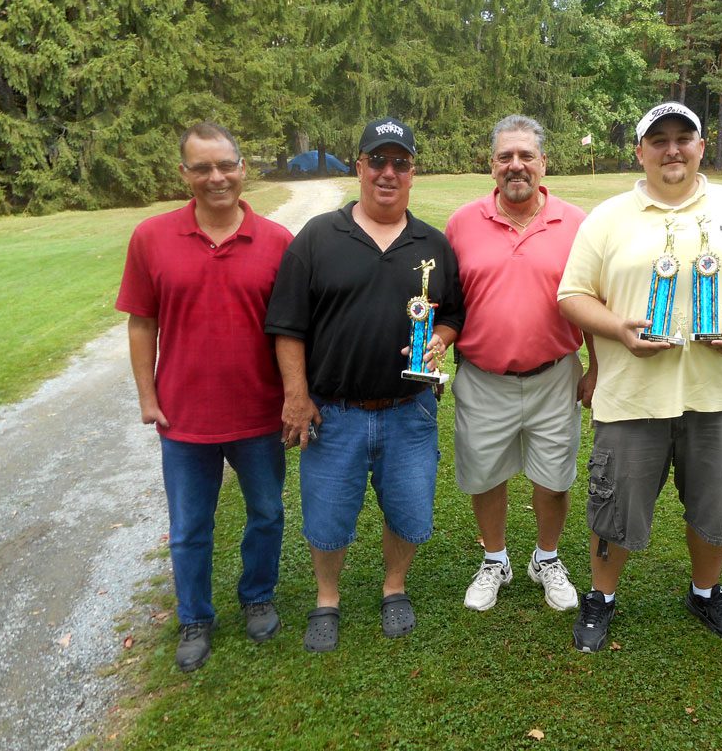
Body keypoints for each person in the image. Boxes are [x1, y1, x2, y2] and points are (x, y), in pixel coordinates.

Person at [557, 102, 722, 652]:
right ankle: (601, 598)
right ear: (639, 152)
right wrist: (620, 328)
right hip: (631, 394)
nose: (672, 149)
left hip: (721, 394)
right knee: (614, 504)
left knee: (718, 504)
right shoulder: (609, 217)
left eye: (683, 138)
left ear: (701, 146)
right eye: (658, 140)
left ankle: (706, 592)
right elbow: (572, 295)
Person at [264, 117, 464, 651]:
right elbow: (287, 325)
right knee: (327, 516)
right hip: (335, 411)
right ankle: (326, 599)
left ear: (413, 173)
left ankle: (393, 587)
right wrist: (296, 397)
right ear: (359, 167)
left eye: (400, 163)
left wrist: (439, 340)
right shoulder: (318, 238)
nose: (388, 172)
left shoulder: (433, 244)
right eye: (377, 160)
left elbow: (453, 316)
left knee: (410, 508)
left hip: (409, 410)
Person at [116, 122, 291, 672]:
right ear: (185, 175)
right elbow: (142, 324)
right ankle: (195, 615)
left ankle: (257, 596)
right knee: (191, 524)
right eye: (202, 168)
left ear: (243, 169)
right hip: (184, 416)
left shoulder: (278, 243)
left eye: (225, 166)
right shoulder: (151, 238)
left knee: (266, 513)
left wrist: (295, 397)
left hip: (259, 412)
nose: (216, 177)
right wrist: (148, 396)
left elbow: (291, 332)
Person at [445, 115, 596, 613]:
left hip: (555, 376)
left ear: (543, 163)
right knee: (485, 475)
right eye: (505, 156)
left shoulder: (576, 223)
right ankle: (495, 560)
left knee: (553, 479)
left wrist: (597, 367)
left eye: (526, 156)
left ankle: (546, 558)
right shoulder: (461, 223)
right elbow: (444, 304)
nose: (516, 165)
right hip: (483, 379)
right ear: (491, 165)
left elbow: (593, 300)